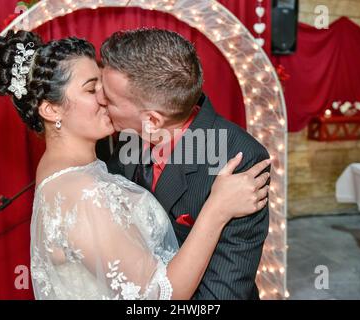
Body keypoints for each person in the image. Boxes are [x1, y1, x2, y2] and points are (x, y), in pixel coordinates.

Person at [0, 30, 270, 300]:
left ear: (152, 118)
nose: (104, 98)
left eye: (102, 86)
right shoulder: (83, 192)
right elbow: (158, 296)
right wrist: (215, 212)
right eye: (92, 89)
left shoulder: (235, 157)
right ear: (52, 109)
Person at [99, 29, 271, 300]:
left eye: (108, 99)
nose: (99, 100)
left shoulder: (239, 161)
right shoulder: (130, 134)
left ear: (153, 120)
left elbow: (220, 296)